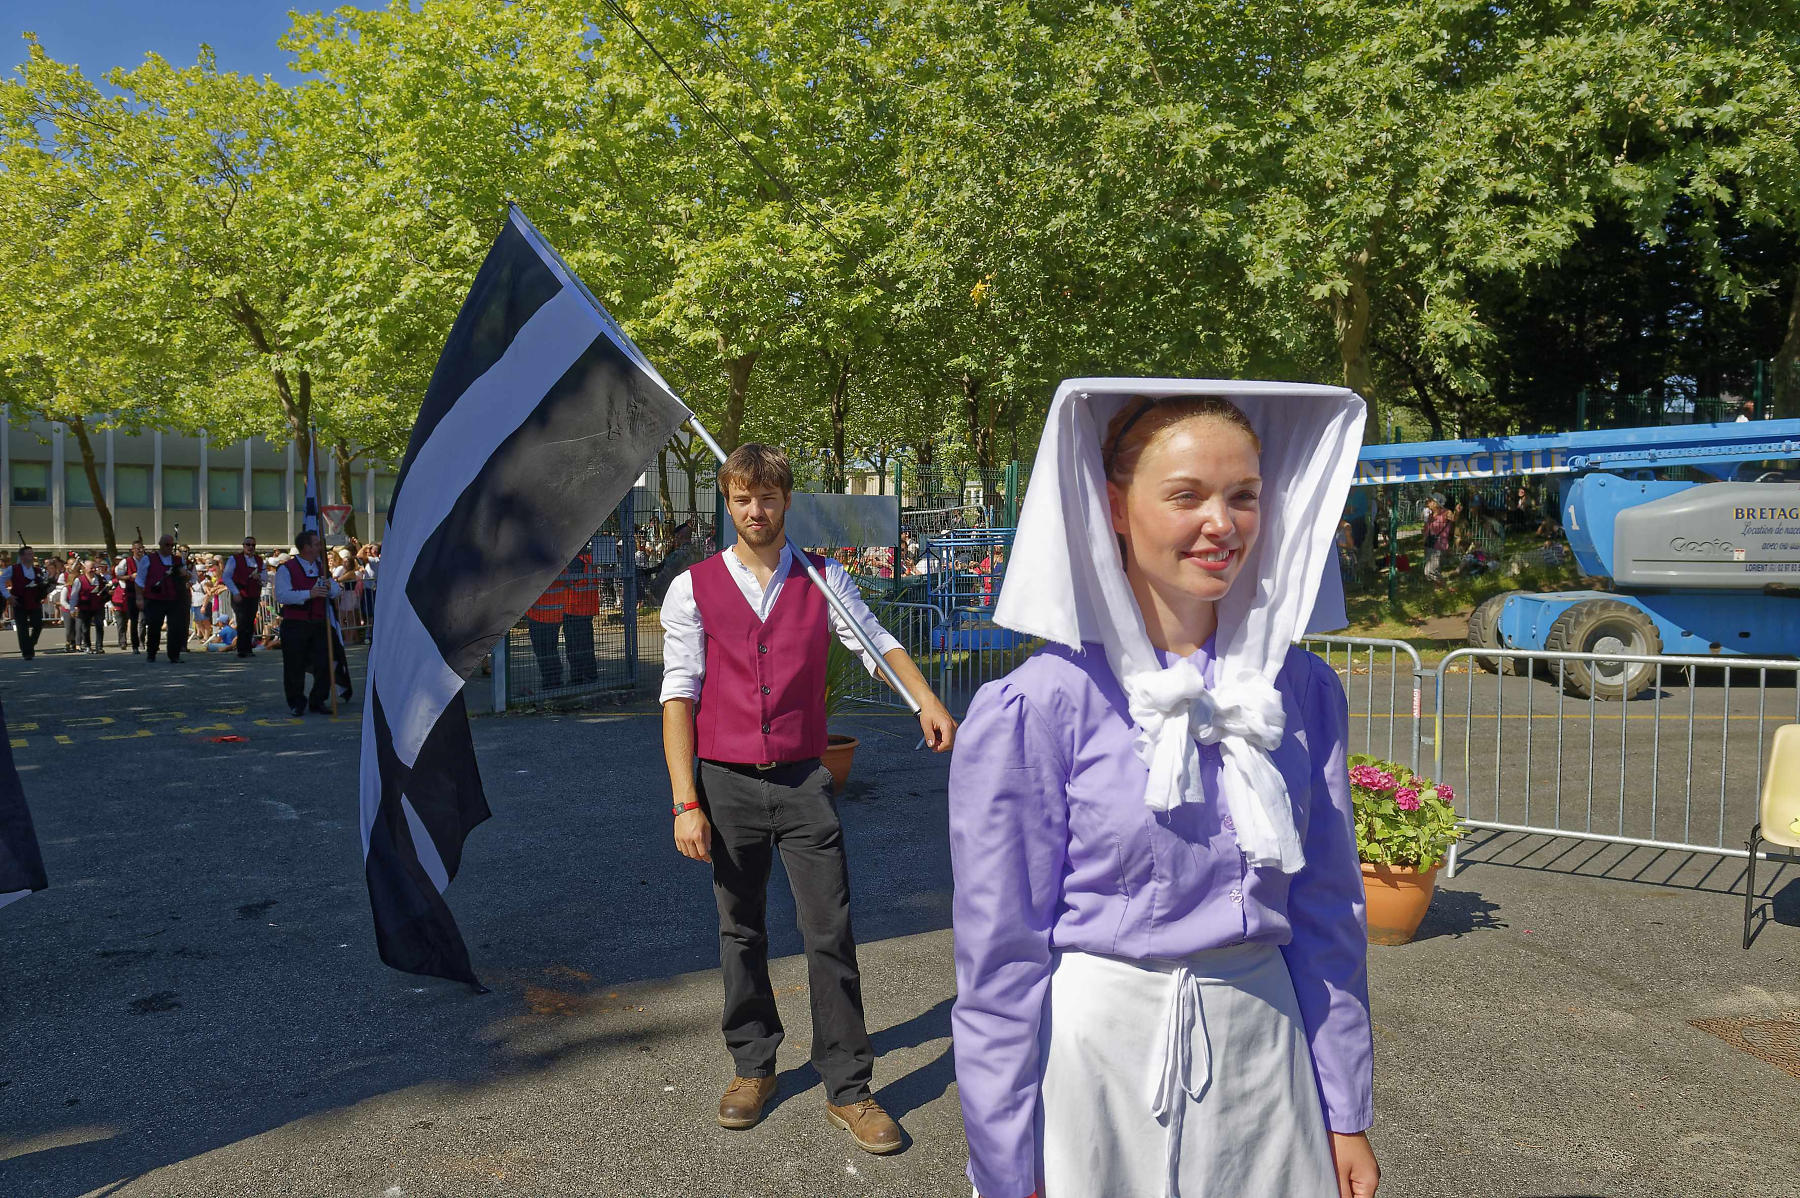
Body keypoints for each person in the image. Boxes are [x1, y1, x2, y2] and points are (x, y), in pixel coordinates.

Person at [949, 385, 1377, 1198]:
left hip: (1266, 1054)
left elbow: (1329, 914)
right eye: (1187, 495)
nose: (1222, 523)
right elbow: (999, 957)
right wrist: (1007, 1164)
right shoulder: (1041, 704)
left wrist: (1344, 1107)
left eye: (1243, 496)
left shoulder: (1301, 690)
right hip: (1095, 1069)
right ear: (1113, 506)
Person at [659, 443, 958, 1155]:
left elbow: (876, 643)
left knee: (831, 931)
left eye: (766, 497)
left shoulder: (824, 581)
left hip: (803, 780)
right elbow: (679, 694)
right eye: (741, 499)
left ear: (786, 500)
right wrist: (684, 801)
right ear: (726, 505)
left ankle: (849, 1088)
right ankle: (752, 1065)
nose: (754, 511)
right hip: (724, 783)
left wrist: (925, 700)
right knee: (741, 931)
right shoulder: (691, 587)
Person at [273, 530, 342, 716]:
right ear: (306, 547)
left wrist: (330, 588)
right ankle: (296, 701)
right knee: (294, 665)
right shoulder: (286, 568)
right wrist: (308, 594)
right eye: (317, 544)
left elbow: (336, 591)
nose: (320, 547)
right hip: (296, 623)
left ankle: (318, 700)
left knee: (325, 662)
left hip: (319, 622)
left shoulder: (322, 567)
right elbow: (282, 595)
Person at [136, 533, 191, 663]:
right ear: (160, 545)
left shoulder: (178, 560)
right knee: (154, 626)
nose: (170, 547)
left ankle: (174, 655)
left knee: (175, 627)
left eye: (172, 545)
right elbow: (139, 580)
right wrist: (139, 598)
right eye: (167, 545)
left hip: (175, 598)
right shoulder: (148, 559)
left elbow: (187, 577)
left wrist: (185, 574)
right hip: (155, 598)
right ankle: (152, 653)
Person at [221, 537, 267, 659]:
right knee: (242, 621)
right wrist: (235, 592)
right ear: (243, 545)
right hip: (240, 595)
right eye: (248, 544)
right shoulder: (234, 559)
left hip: (253, 594)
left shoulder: (259, 560)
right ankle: (242, 649)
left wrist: (260, 577)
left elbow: (265, 577)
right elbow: (226, 577)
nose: (250, 547)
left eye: (253, 545)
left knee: (250, 621)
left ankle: (248, 648)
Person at [0, 544, 47, 659]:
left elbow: (42, 585)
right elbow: (0, 582)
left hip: (34, 601)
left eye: (32, 553)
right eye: (29, 554)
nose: (32, 556)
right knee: (22, 627)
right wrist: (8, 596)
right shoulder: (13, 569)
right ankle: (27, 653)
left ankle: (29, 645)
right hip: (19, 601)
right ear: (22, 557)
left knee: (38, 625)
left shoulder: (37, 570)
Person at [71, 558, 109, 653]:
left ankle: (99, 647)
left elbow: (105, 591)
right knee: (85, 628)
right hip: (84, 607)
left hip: (98, 606)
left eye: (94, 568)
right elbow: (74, 595)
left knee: (99, 625)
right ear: (85, 568)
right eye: (91, 568)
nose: (93, 570)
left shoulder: (100, 579)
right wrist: (72, 608)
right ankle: (87, 645)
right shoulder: (79, 580)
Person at [114, 539, 145, 651]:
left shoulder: (147, 560)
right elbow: (118, 576)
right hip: (132, 594)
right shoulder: (126, 562)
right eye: (138, 549)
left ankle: (142, 641)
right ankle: (135, 645)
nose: (140, 550)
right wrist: (130, 576)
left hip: (145, 593)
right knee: (134, 619)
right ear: (133, 550)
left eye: (142, 548)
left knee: (143, 620)